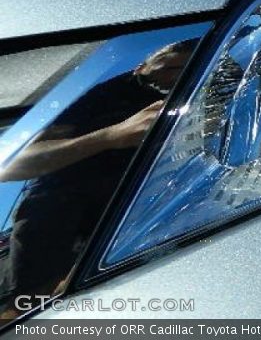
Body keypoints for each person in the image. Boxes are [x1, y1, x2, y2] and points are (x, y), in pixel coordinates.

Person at [0, 40, 195, 318]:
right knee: (28, 307)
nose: (178, 78)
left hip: (147, 219)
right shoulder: (101, 95)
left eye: (188, 71)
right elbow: (10, 165)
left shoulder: (196, 98)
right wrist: (111, 136)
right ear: (142, 67)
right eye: (170, 68)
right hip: (58, 215)